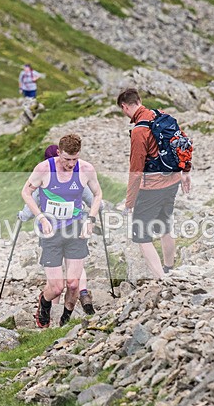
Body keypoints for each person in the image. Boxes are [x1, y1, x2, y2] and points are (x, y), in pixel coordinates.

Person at [21, 134, 102, 328]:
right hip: (50, 232)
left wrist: (90, 218)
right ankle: (44, 302)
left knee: (73, 284)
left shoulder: (86, 169)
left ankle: (65, 320)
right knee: (56, 288)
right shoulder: (44, 169)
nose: (70, 164)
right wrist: (40, 216)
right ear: (59, 153)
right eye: (67, 159)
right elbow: (26, 192)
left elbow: (98, 194)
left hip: (75, 230)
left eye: (74, 159)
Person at [117, 88, 191, 280]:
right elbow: (182, 143)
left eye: (123, 110)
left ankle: (162, 279)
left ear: (125, 107)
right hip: (172, 181)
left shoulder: (139, 131)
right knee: (164, 225)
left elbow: (136, 171)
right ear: (140, 100)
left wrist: (129, 202)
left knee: (141, 235)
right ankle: (169, 268)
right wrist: (185, 171)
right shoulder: (163, 117)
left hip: (151, 187)